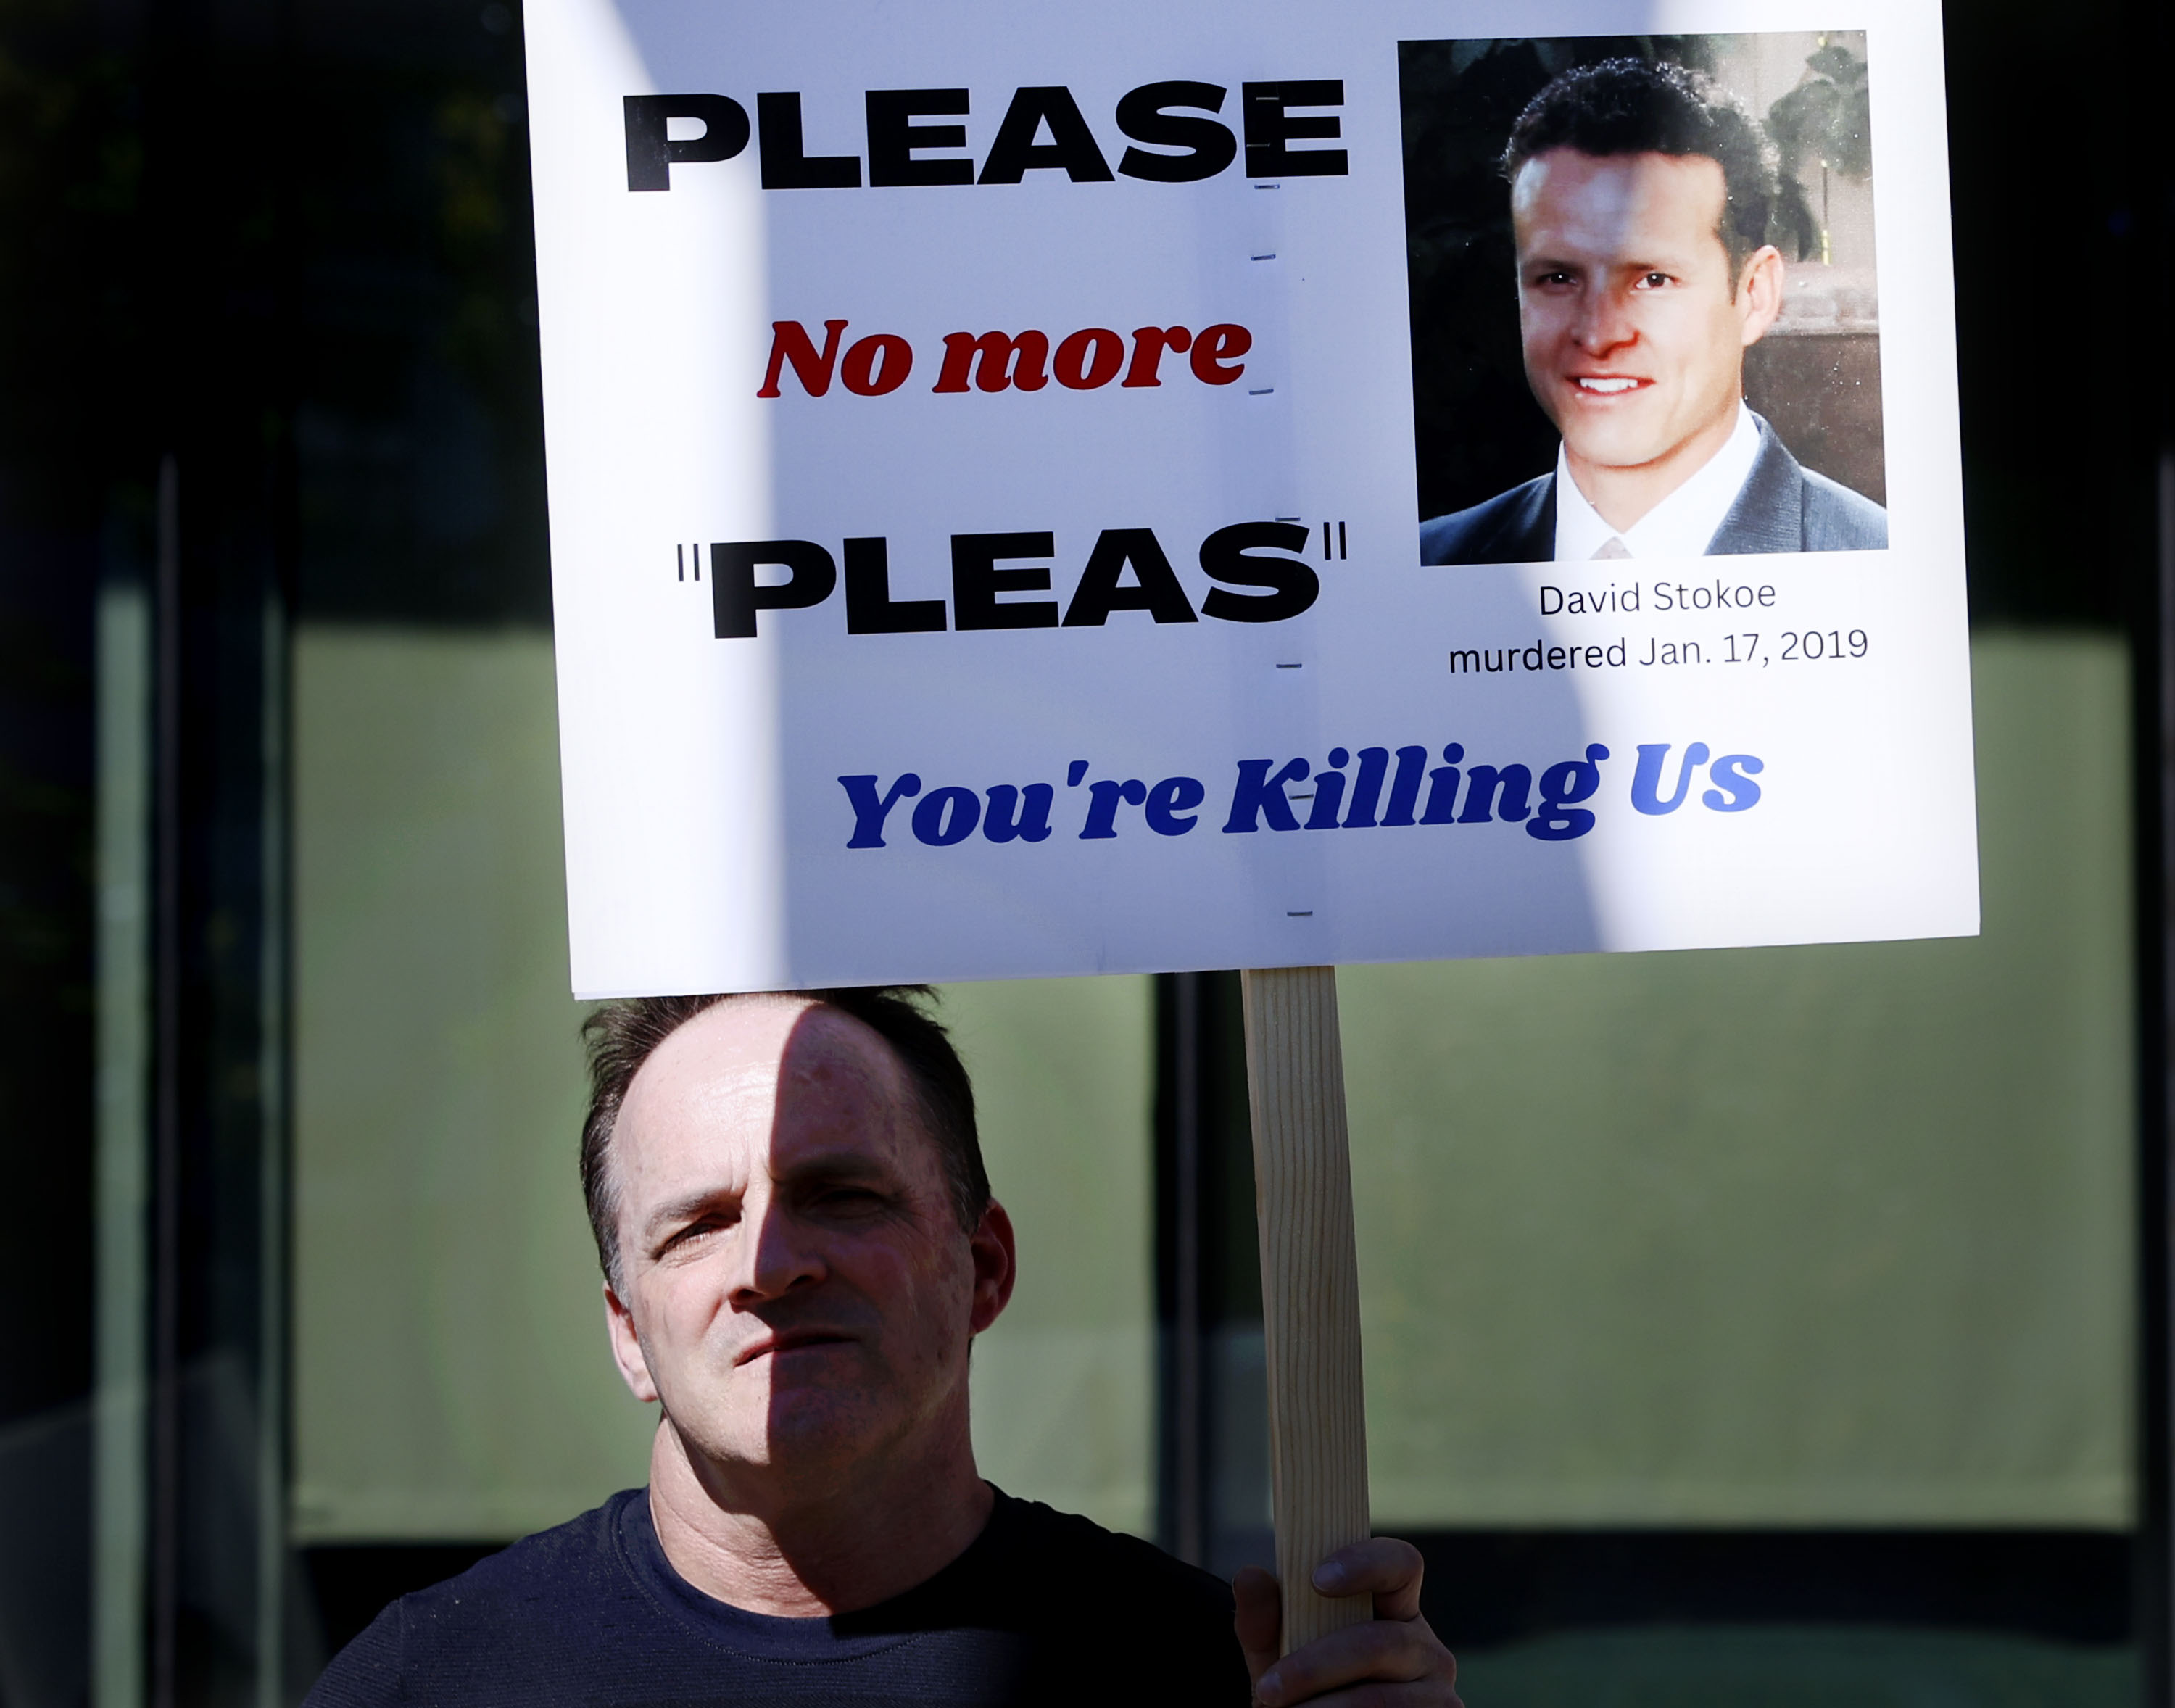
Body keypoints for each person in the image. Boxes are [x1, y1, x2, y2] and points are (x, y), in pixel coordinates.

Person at [305, 987, 1462, 1707]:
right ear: (628, 1335)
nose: (769, 1263)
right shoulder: (432, 1681)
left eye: (841, 1194)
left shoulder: (1214, 1673)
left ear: (986, 1269)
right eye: (698, 1225)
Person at [1420, 57, 1887, 565]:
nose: (1599, 334)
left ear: (1755, 294)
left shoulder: (1878, 561)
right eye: (1558, 278)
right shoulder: (1435, 559)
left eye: (1653, 279)